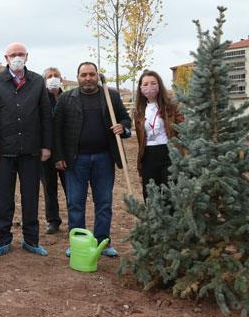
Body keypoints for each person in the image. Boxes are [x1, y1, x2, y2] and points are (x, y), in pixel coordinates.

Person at [53, 62, 131, 257]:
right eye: (84, 75)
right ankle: (77, 242)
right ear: (78, 77)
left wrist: (122, 126)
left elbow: (125, 118)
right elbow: (57, 131)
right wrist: (59, 156)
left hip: (104, 158)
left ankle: (103, 241)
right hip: (75, 159)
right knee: (76, 203)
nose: (88, 78)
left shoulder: (110, 96)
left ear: (97, 76)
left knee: (104, 202)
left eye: (91, 74)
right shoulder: (66, 99)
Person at [0, 42, 52, 256]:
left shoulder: (38, 81)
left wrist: (46, 145)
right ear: (6, 58)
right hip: (4, 151)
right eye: (13, 54)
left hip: (31, 150)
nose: (17, 57)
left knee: (31, 196)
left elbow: (46, 116)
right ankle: (3, 239)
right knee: (3, 198)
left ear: (27, 56)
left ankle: (31, 240)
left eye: (20, 54)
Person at [134, 70, 184, 200]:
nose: (149, 87)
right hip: (148, 155)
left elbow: (183, 129)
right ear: (140, 88)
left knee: (169, 195)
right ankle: (152, 220)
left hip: (168, 153)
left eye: (153, 83)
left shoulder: (171, 106)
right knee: (150, 195)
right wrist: (140, 167)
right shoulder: (139, 111)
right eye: (145, 84)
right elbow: (140, 141)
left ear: (159, 85)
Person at [42, 67, 68, 234]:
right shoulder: (41, 99)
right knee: (49, 187)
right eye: (49, 76)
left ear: (61, 79)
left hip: (66, 151)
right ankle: (53, 220)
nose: (53, 78)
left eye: (55, 76)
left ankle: (75, 218)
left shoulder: (68, 98)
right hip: (45, 151)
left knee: (70, 187)